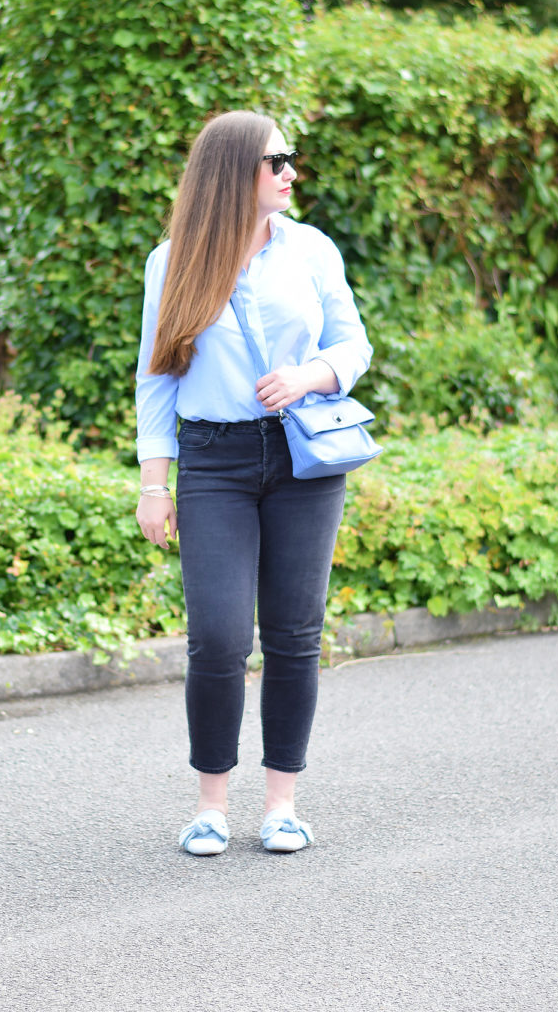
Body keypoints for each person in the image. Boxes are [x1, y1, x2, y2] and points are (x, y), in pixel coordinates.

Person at [134, 110, 373, 855]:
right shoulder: (172, 260)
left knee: (295, 634)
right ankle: (211, 807)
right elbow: (156, 378)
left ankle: (281, 806)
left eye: (289, 159)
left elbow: (353, 342)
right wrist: (154, 483)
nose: (291, 172)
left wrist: (310, 375)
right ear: (237, 173)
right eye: (278, 161)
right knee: (218, 636)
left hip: (303, 455)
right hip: (215, 461)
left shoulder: (312, 249)